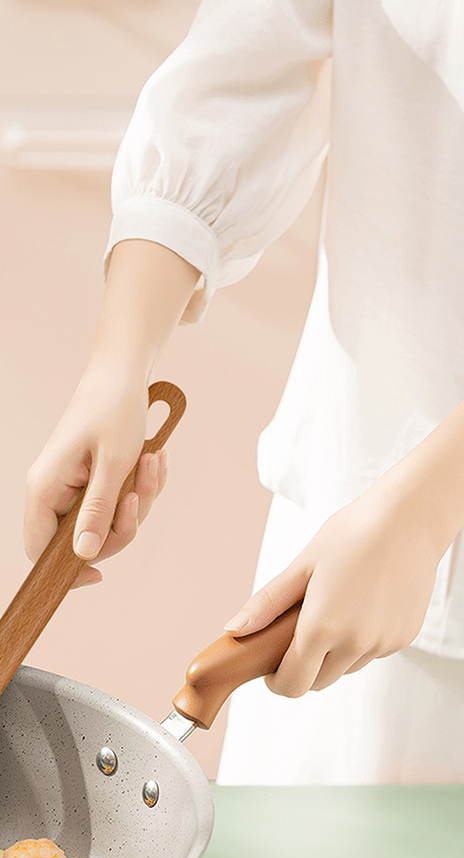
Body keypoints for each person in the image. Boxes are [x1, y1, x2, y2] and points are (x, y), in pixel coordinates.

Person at [24, 0, 464, 784]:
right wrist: (119, 362)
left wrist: (429, 506)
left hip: (392, 531)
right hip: (347, 525)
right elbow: (240, 67)